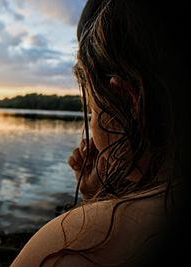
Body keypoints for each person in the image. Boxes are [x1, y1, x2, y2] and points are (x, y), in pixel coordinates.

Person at [11, 0, 190, 266]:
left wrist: (89, 217)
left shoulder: (71, 245)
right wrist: (97, 196)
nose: (91, 127)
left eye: (93, 109)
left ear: (129, 101)